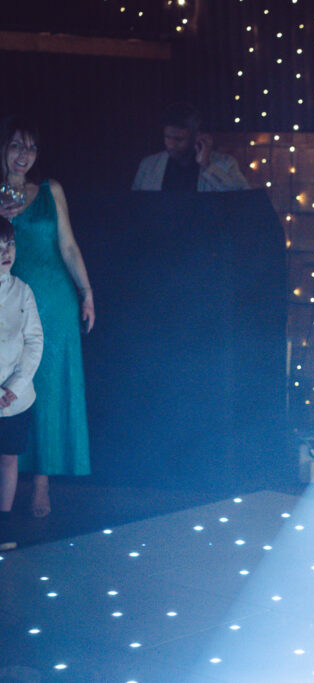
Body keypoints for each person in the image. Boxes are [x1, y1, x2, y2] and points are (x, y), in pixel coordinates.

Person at [0, 116, 94, 518]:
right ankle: (11, 477)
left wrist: (87, 291)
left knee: (50, 387)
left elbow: (68, 246)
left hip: (54, 301)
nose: (24, 155)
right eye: (17, 146)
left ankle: (42, 484)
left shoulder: (51, 190)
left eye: (31, 148)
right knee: (12, 385)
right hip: (9, 301)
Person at [0, 217, 44, 551]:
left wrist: (14, 385)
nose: (6, 252)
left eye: (10, 244)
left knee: (8, 458)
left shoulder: (22, 290)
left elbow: (34, 341)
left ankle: (4, 524)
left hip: (14, 398)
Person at [132, 102, 249, 192]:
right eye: (167, 137)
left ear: (196, 136)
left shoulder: (225, 163)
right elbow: (138, 205)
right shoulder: (149, 165)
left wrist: (207, 165)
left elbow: (241, 197)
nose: (171, 144)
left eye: (179, 139)